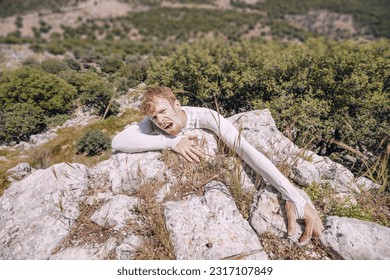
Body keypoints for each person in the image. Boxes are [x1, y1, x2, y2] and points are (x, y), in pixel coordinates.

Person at [112, 86, 324, 243]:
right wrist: (171, 141)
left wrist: (292, 196)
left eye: (163, 111)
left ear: (176, 104)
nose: (159, 120)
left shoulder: (206, 116)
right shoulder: (152, 124)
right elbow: (118, 141)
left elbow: (247, 151)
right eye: (154, 117)